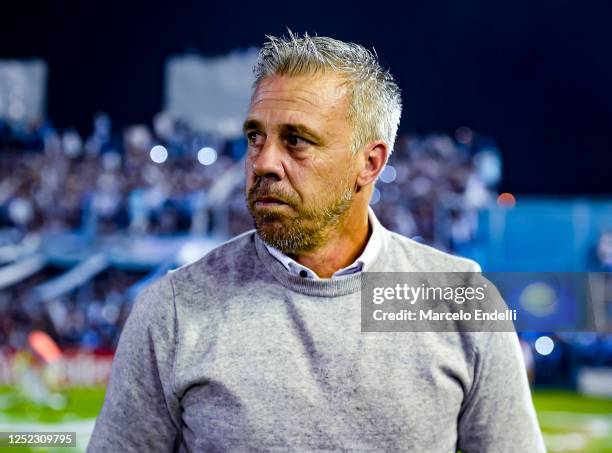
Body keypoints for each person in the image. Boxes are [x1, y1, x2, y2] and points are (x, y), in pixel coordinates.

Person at [88, 33, 545, 452]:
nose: (263, 162)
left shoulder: (461, 302)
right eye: (255, 137)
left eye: (296, 140)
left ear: (369, 163)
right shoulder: (172, 309)